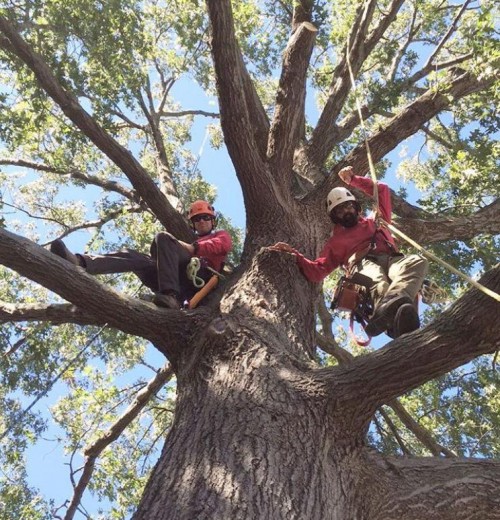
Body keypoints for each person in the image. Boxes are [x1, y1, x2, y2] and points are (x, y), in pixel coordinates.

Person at [270, 166, 428, 339]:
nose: (345, 211)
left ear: (356, 207)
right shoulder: (334, 243)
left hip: (392, 259)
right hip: (362, 264)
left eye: (348, 206)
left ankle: (395, 309)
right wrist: (294, 255)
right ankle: (395, 317)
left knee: (416, 261)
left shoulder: (376, 222)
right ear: (334, 217)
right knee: (376, 279)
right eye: (339, 210)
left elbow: (381, 190)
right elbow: (317, 272)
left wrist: (353, 180)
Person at [49, 200, 232, 310]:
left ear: (212, 220)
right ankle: (81, 262)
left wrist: (193, 249)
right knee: (134, 257)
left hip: (199, 279)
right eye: (196, 219)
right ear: (192, 224)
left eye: (205, 217)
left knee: (163, 237)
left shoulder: (219, 236)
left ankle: (170, 297)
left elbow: (223, 245)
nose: (201, 221)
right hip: (175, 278)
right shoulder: (185, 246)